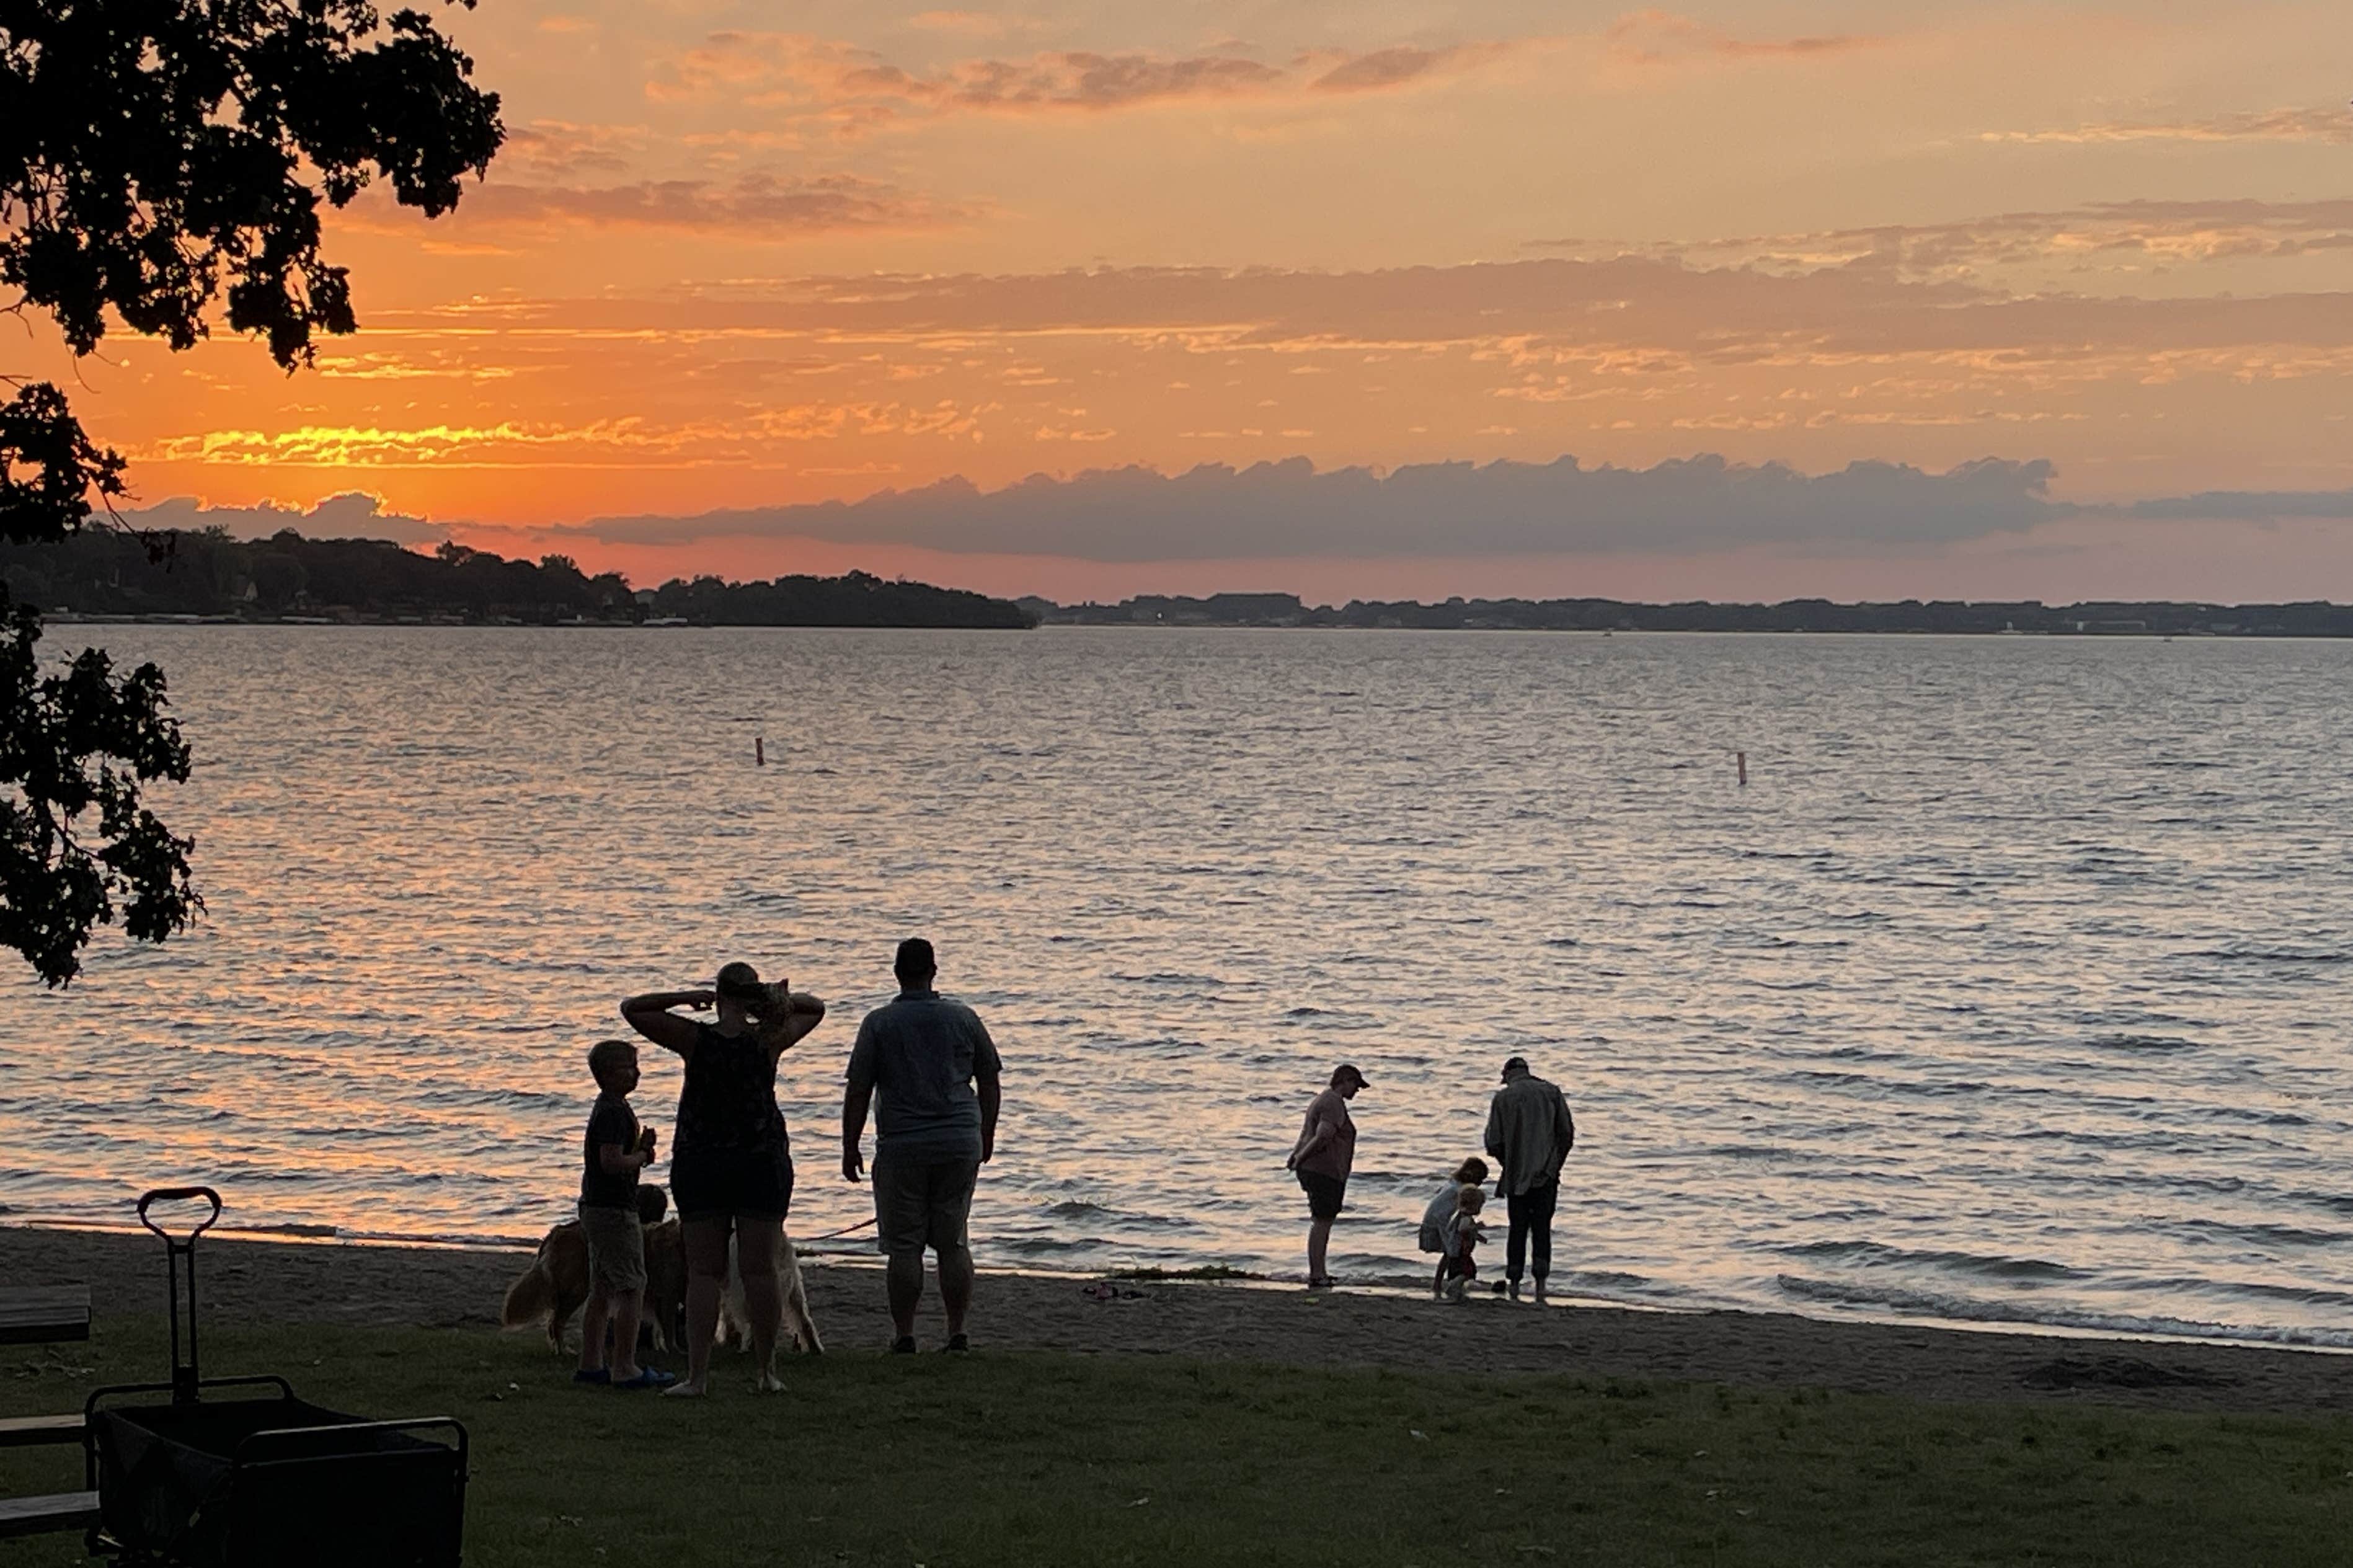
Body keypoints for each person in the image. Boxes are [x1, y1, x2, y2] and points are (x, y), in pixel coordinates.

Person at [622, 961, 824, 1396]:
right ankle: (766, 1371)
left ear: (719, 995)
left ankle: (698, 1376)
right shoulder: (768, 1038)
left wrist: (683, 998)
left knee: (704, 1272)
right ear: (754, 996)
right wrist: (774, 999)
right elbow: (815, 1007)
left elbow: (633, 1008)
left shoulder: (696, 1038)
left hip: (703, 1159)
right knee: (760, 1269)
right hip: (759, 1158)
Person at [841, 938, 1002, 1353]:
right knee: (953, 1241)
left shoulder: (879, 1023)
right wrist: (986, 1131)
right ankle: (957, 1330)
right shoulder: (963, 1017)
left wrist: (849, 1144)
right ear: (934, 971)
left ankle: (905, 1333)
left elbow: (858, 1089)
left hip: (902, 1143)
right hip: (957, 1138)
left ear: (897, 972)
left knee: (904, 1246)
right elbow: (989, 1076)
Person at [574, 1039, 673, 1389]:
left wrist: (640, 1148)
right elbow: (611, 1162)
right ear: (607, 1075)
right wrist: (642, 1158)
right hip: (613, 1210)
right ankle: (625, 1365)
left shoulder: (611, 1108)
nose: (637, 1072)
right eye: (629, 1067)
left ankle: (591, 1362)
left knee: (601, 1288)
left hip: (597, 1207)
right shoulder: (614, 1112)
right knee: (633, 1286)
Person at [1482, 1055, 1577, 1302]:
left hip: (1516, 1176)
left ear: (1508, 1075)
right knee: (1542, 1228)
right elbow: (1566, 1134)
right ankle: (1541, 1286)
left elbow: (1493, 1142)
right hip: (1547, 1174)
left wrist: (1509, 1163)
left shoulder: (1503, 1098)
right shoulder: (1552, 1092)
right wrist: (1555, 1165)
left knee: (1518, 1229)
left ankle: (1514, 1283)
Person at [1285, 1063, 1367, 1288]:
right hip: (1323, 1171)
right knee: (1322, 1222)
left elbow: (1308, 1134)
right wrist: (1300, 1158)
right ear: (1346, 1081)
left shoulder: (1324, 1100)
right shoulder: (1333, 1102)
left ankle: (1319, 1272)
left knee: (1321, 1221)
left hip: (1320, 1170)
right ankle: (1317, 1274)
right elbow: (1323, 1136)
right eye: (1356, 1086)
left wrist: (1296, 1156)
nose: (1357, 1091)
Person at [1418, 1157, 1490, 1256]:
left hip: (1432, 1225)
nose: (1480, 1183)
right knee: (1453, 1254)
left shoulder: (1453, 1184)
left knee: (1448, 1255)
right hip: (1437, 1227)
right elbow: (1445, 1217)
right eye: (1479, 1179)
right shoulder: (1459, 1191)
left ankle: (1441, 1271)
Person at [1435, 1184, 1487, 1303]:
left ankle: (1456, 1291)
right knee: (1468, 1272)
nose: (1480, 1209)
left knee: (1460, 1272)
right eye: (1479, 1206)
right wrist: (1476, 1227)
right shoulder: (1466, 1218)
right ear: (1472, 1205)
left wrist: (1479, 1237)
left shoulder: (1461, 1216)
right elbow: (1463, 1229)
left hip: (1459, 1252)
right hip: (1461, 1252)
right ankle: (1453, 1288)